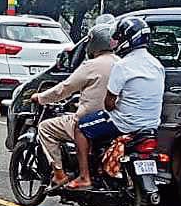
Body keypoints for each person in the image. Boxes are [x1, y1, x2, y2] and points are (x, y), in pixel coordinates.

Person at [67, 17, 165, 190]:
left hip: (125, 124)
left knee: (81, 127)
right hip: (151, 125)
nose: (116, 41)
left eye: (119, 38)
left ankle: (84, 177)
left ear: (128, 40)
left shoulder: (123, 65)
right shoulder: (157, 65)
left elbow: (109, 103)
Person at [31, 25, 119, 189]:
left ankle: (59, 174)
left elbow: (64, 89)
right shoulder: (121, 63)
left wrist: (41, 98)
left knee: (45, 127)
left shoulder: (91, 65)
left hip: (87, 122)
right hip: (112, 122)